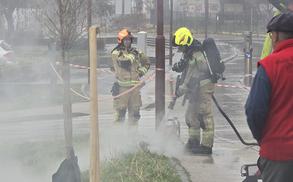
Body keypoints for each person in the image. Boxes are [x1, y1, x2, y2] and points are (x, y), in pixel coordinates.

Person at [245, 12, 293, 182]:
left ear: (277, 35)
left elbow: (254, 111)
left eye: (271, 34)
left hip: (278, 154)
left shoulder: (270, 66)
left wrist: (264, 139)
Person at [172, 27, 215, 155]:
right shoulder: (190, 53)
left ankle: (207, 146)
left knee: (204, 115)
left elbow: (188, 78)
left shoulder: (195, 55)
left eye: (181, 46)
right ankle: (193, 142)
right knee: (191, 116)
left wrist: (179, 92)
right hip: (196, 88)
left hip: (203, 87)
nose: (179, 49)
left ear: (186, 42)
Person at [111, 28, 150, 124]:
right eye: (126, 40)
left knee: (134, 115)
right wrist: (134, 54)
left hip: (135, 89)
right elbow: (125, 62)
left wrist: (140, 72)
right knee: (120, 115)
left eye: (129, 39)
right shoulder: (116, 53)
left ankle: (133, 137)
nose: (128, 42)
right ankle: (118, 136)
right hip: (122, 89)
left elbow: (147, 63)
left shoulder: (136, 52)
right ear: (121, 40)